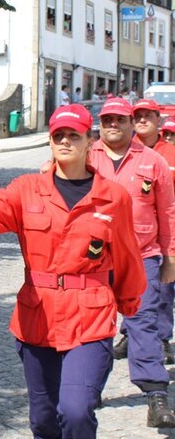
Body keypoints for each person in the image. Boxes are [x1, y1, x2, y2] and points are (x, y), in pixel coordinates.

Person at [0, 104, 146, 438]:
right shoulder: (28, 188)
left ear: (89, 141)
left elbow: (127, 255)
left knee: (76, 409)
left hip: (90, 317)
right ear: (50, 142)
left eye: (73, 135)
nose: (65, 141)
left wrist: (129, 305)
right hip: (37, 316)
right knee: (43, 419)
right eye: (58, 136)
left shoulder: (112, 197)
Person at [88, 97, 175, 427]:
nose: (113, 125)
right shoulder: (85, 155)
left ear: (129, 123)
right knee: (93, 328)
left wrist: (170, 257)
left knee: (144, 325)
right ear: (100, 123)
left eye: (120, 120)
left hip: (142, 257)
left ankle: (156, 396)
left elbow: (167, 212)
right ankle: (88, 388)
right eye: (107, 119)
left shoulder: (152, 161)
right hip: (93, 259)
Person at [113, 99, 175, 366]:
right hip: (132, 236)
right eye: (137, 116)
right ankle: (131, 333)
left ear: (158, 120)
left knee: (162, 289)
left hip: (165, 229)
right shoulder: (125, 151)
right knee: (132, 287)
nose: (142, 120)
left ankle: (160, 338)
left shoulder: (169, 153)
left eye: (148, 115)